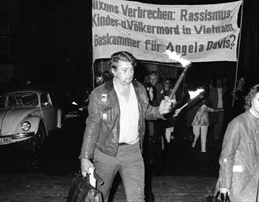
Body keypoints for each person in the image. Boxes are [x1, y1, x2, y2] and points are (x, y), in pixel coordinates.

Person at [79, 51, 174, 202]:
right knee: (99, 197)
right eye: (124, 70)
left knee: (137, 198)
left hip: (133, 152)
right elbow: (92, 126)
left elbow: (146, 112)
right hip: (105, 153)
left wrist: (159, 111)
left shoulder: (139, 89)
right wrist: (85, 157)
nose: (129, 74)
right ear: (113, 71)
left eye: (131, 69)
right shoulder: (99, 93)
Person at [215, 84, 259, 202]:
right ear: (251, 99)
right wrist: (224, 185)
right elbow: (227, 156)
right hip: (238, 182)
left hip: (257, 181)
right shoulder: (238, 123)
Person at [185, 88, 217, 153]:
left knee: (204, 135)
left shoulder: (207, 99)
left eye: (203, 91)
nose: (202, 92)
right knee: (197, 134)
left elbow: (207, 107)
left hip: (204, 119)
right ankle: (194, 141)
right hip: (196, 120)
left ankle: (203, 149)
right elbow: (190, 108)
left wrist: (213, 110)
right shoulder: (194, 99)